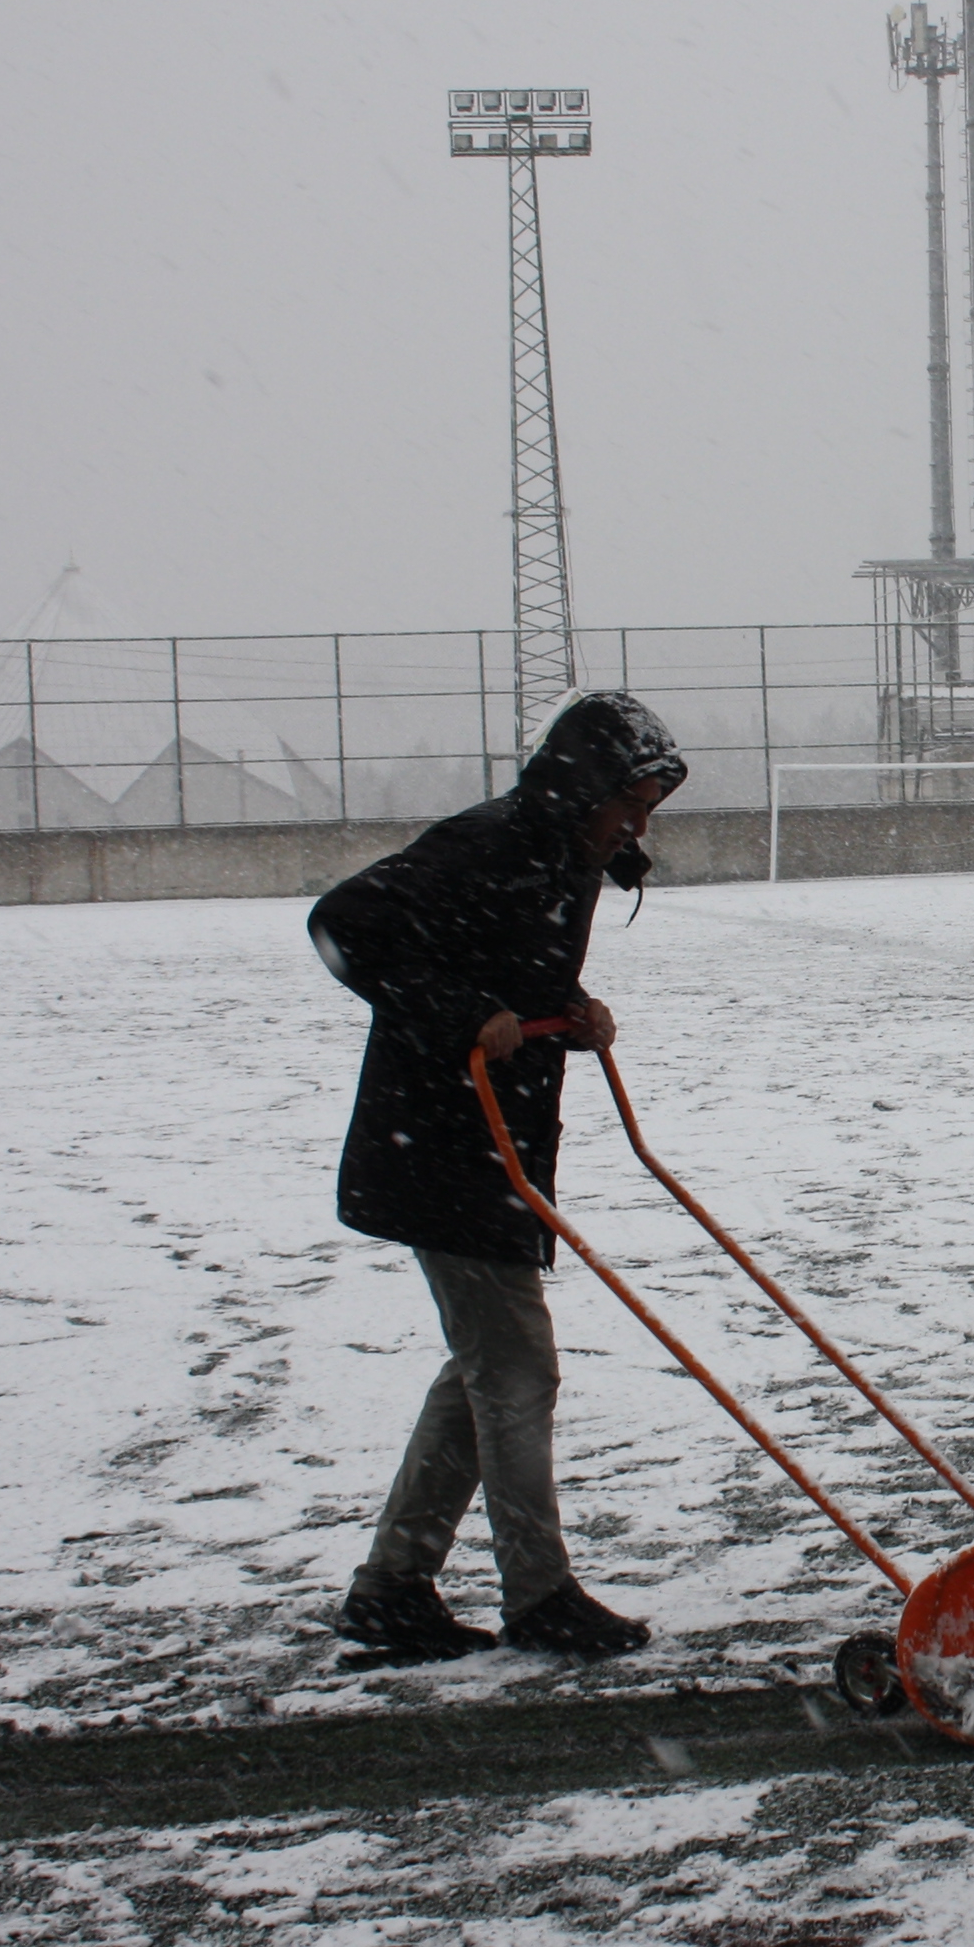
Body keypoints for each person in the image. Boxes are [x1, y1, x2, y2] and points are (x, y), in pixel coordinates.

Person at [305, 691, 686, 1662]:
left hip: (495, 1140)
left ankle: (393, 1587)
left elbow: (501, 954)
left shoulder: (568, 854)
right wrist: (461, 1012)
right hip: (437, 1140)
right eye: (628, 802)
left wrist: (569, 1004)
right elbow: (345, 923)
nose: (636, 824)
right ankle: (539, 1594)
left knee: (483, 1369)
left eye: (648, 806)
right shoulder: (488, 842)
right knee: (516, 1367)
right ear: (583, 786)